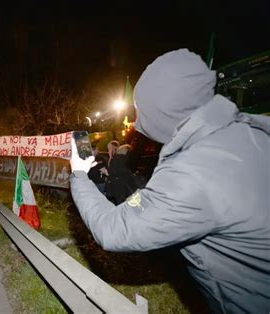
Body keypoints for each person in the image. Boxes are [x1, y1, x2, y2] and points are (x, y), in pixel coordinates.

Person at [69, 49, 270, 313]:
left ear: (162, 111)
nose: (137, 121)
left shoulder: (193, 172)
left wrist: (78, 173)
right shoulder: (250, 131)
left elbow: (113, 229)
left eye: (141, 111)